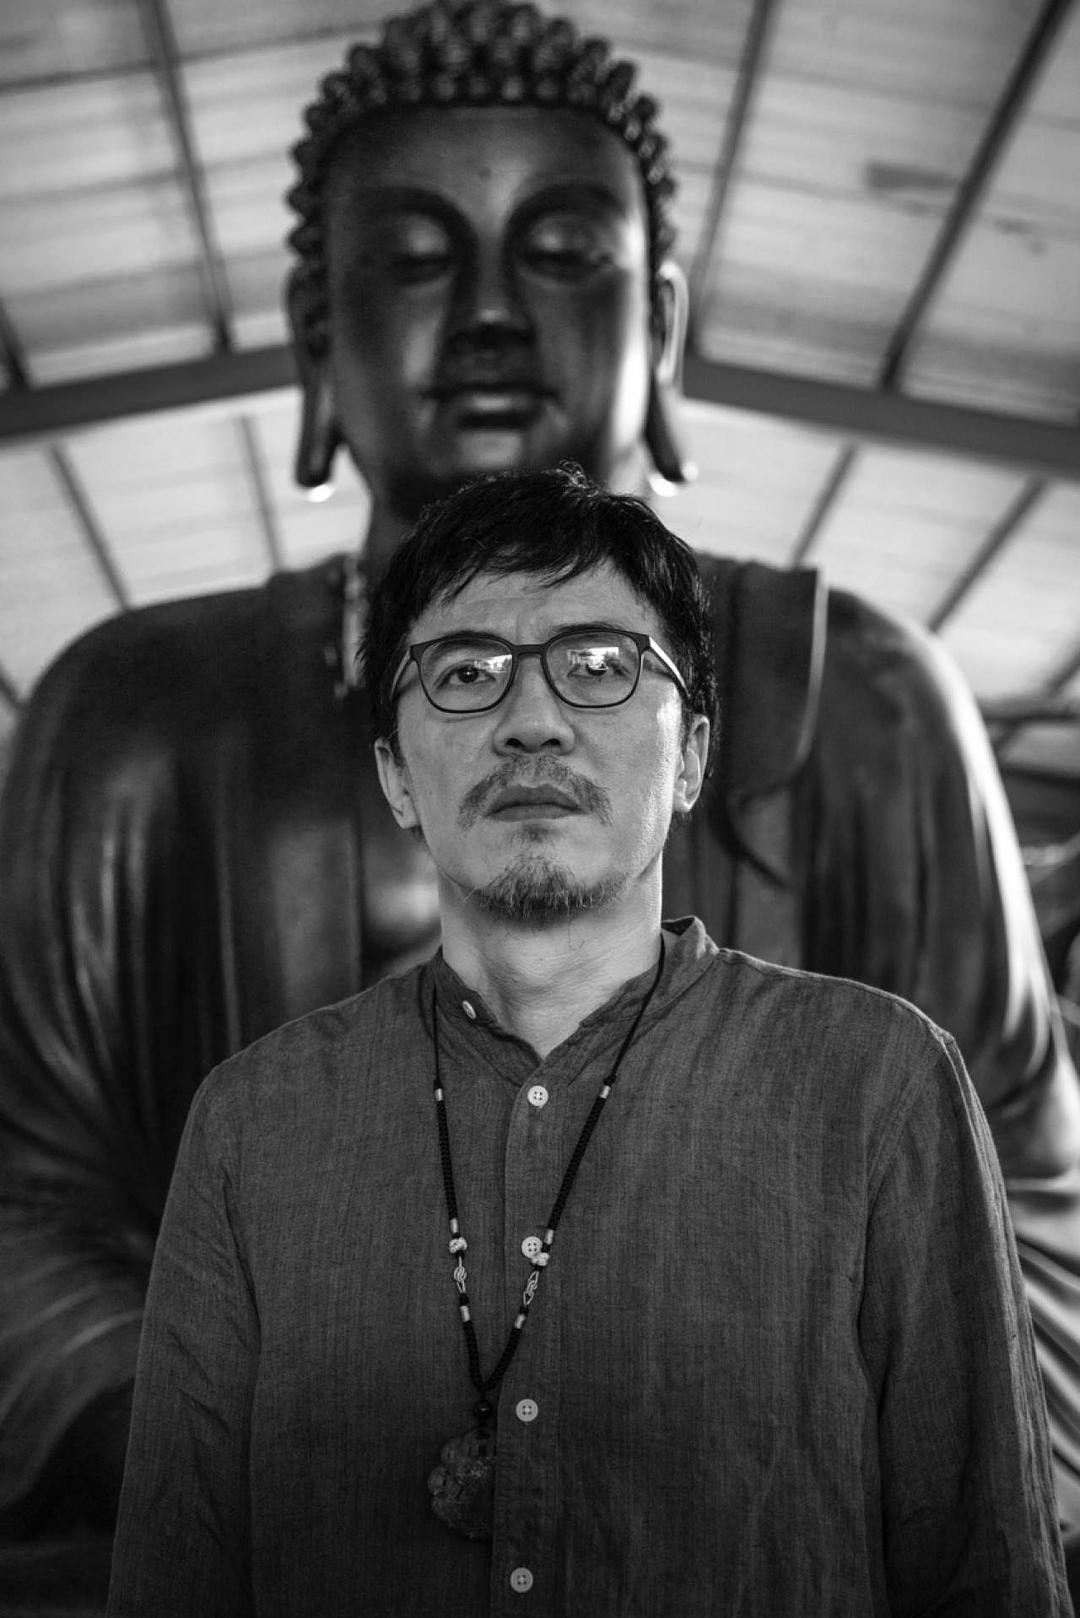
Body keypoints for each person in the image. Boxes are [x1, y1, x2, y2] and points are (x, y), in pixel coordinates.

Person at [0, 0, 1078, 1548]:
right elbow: (22, 1206)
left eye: (565, 250)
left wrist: (759, 1451)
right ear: (315, 334)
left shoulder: (866, 702)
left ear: (664, 325)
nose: (494, 314)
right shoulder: (137, 713)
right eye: (415, 257)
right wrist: (240, 1442)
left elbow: (1037, 1218)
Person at [106, 466, 1070, 1615]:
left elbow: (988, 1574)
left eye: (600, 664)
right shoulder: (256, 1124)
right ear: (396, 777)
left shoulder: (875, 1087)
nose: (531, 719)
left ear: (693, 755)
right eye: (465, 673)